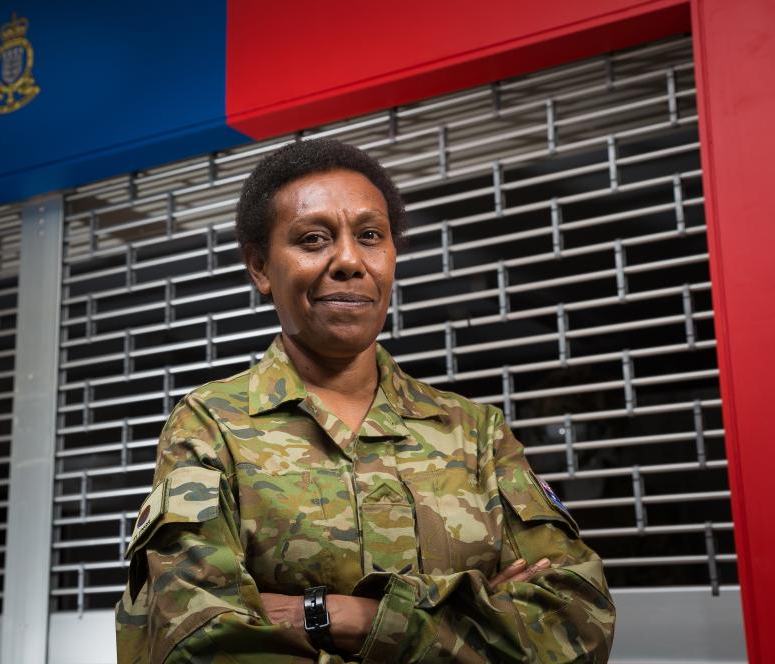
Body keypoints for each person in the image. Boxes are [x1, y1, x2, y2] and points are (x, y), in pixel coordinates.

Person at [115, 138, 615, 663]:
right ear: (261, 268)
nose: (350, 260)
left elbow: (576, 624)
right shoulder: (211, 426)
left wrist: (343, 616)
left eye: (371, 236)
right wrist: (469, 625)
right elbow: (197, 640)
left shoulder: (475, 433)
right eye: (313, 239)